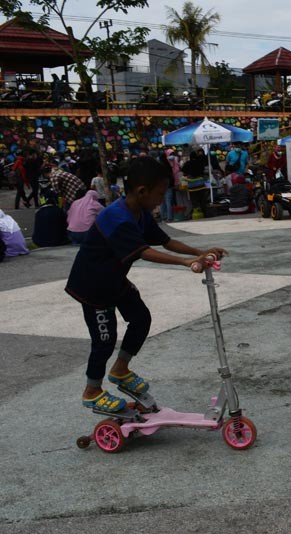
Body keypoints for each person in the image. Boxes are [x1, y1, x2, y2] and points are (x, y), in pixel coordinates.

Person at [64, 156, 227, 414]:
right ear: (142, 191)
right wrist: (186, 263)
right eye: (160, 194)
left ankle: (120, 370)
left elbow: (165, 241)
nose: (162, 200)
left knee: (141, 319)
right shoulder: (116, 218)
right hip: (93, 287)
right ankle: (92, 391)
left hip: (114, 281)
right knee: (104, 340)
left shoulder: (139, 212)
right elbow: (144, 251)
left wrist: (200, 251)